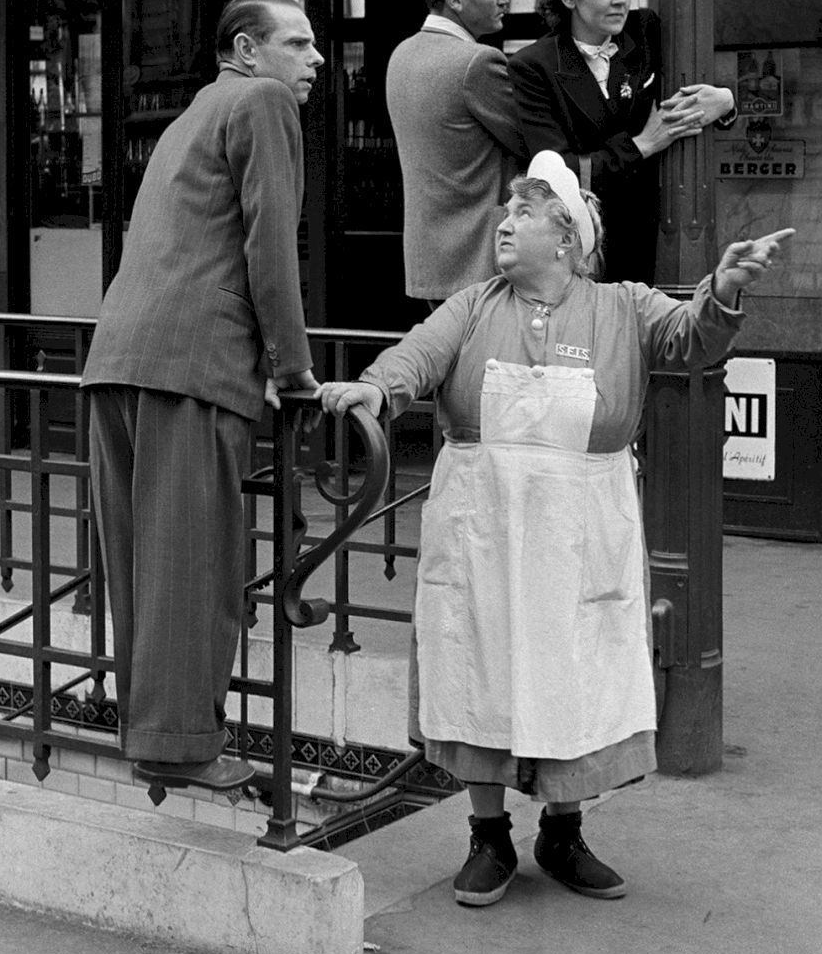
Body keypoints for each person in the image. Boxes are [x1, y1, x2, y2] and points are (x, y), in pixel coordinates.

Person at [319, 152, 792, 907]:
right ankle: (488, 834)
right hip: (483, 528)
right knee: (481, 664)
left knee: (573, 670)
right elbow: (417, 352)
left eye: (524, 212)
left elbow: (691, 337)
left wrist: (724, 289)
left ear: (568, 236)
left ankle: (563, 831)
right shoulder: (474, 305)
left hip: (580, 535)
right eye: (507, 211)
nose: (505, 224)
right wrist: (376, 387)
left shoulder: (622, 307)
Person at [81, 0, 323, 792]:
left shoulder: (192, 113)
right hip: (194, 364)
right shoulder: (262, 100)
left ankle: (155, 734)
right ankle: (181, 747)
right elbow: (270, 241)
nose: (315, 60)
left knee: (139, 565)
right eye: (299, 43)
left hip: (117, 355)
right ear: (248, 50)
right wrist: (292, 368)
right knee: (195, 560)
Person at [509, 0, 737, 283]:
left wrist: (724, 100)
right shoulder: (533, 66)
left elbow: (697, 92)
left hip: (656, 226)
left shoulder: (645, 30)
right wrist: (643, 144)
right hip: (584, 237)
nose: (620, 0)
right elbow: (558, 171)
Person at [386, 0, 526, 305]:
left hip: (430, 262)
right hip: (481, 261)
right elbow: (531, 140)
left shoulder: (401, 55)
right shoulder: (477, 62)